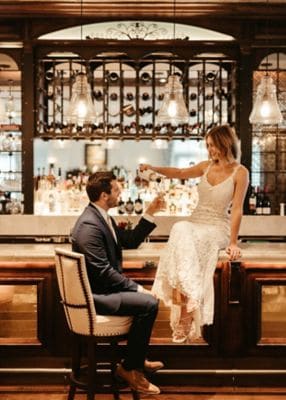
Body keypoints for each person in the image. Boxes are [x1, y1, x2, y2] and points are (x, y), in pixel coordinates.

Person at [139, 124, 249, 344]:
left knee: (187, 235)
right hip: (195, 222)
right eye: (207, 146)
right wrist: (154, 168)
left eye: (212, 145)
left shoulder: (240, 172)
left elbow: (237, 209)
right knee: (180, 227)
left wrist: (234, 242)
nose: (209, 150)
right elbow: (180, 173)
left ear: (224, 143)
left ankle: (186, 314)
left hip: (218, 227)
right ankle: (189, 306)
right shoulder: (206, 166)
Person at [71, 171, 165, 395]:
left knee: (147, 302)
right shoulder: (89, 226)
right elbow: (103, 272)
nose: (120, 191)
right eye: (116, 189)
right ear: (104, 195)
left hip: (103, 291)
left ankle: (136, 360)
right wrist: (138, 288)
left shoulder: (102, 216)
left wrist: (150, 212)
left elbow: (129, 240)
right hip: (95, 297)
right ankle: (130, 369)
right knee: (149, 304)